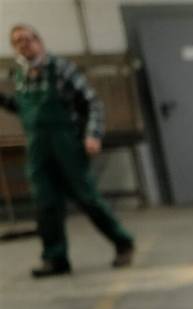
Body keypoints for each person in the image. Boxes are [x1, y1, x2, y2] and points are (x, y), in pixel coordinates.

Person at [3, 24, 135, 278]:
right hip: (38, 150)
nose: (24, 44)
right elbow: (22, 108)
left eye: (28, 39)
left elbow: (92, 103)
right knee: (46, 204)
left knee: (87, 197)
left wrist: (93, 135)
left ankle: (123, 242)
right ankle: (55, 258)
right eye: (17, 41)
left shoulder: (61, 68)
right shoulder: (19, 74)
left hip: (67, 145)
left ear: (39, 41)